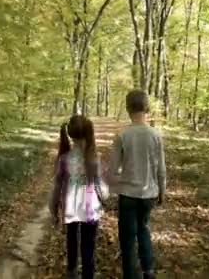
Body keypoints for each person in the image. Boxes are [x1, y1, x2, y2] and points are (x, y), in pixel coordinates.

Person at [107, 89, 166, 279]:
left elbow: (113, 170)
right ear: (147, 107)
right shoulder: (156, 135)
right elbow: (161, 169)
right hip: (149, 194)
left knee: (127, 240)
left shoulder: (122, 136)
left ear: (127, 108)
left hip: (127, 195)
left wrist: (109, 190)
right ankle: (149, 272)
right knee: (144, 230)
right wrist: (162, 191)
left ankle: (130, 275)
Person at [49, 115, 109, 279]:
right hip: (90, 207)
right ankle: (88, 274)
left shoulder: (64, 159)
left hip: (70, 206)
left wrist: (53, 206)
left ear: (70, 134)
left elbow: (57, 185)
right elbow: (100, 185)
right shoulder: (94, 157)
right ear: (89, 133)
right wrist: (105, 198)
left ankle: (71, 271)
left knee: (71, 238)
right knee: (89, 244)